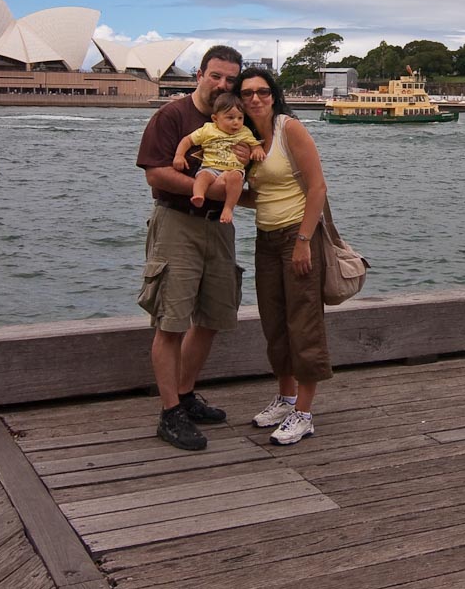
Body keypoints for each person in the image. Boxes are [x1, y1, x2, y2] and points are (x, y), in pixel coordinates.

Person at [136, 45, 251, 451]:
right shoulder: (172, 116)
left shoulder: (237, 118)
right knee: (171, 320)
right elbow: (155, 174)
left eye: (230, 79)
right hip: (177, 223)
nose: (222, 84)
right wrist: (211, 190)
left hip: (219, 227)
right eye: (215, 75)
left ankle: (185, 395)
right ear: (199, 75)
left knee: (212, 316)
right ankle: (170, 412)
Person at [236, 66, 332, 445]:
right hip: (266, 238)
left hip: (297, 234)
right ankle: (286, 398)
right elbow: (257, 195)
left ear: (273, 95)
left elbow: (317, 187)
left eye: (262, 91)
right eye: (247, 93)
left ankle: (304, 414)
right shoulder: (245, 138)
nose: (255, 98)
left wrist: (304, 240)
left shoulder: (288, 129)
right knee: (274, 322)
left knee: (303, 322)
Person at [173, 93, 265, 224]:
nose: (236, 122)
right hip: (210, 167)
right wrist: (179, 155)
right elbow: (187, 140)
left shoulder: (244, 132)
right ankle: (198, 195)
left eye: (240, 118)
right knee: (202, 177)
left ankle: (228, 208)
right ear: (215, 119)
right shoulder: (208, 129)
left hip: (233, 170)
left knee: (236, 179)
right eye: (230, 118)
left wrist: (257, 150)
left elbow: (254, 144)